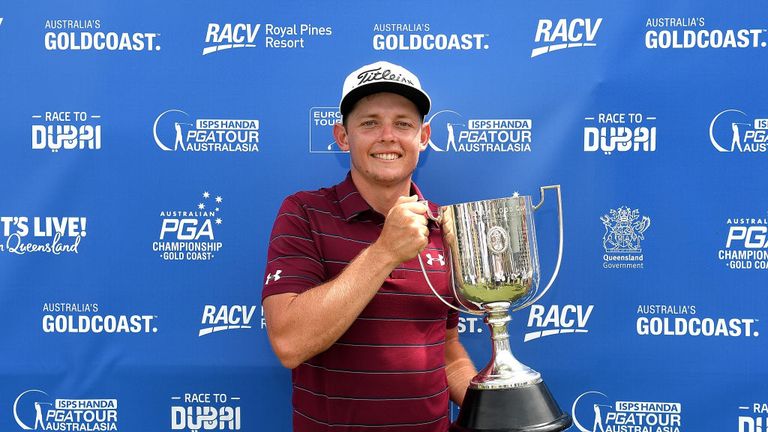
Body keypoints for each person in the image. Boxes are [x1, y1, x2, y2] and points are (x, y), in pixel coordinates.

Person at [261, 61, 477, 432]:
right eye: (369, 123)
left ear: (424, 137)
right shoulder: (303, 213)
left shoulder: (445, 225)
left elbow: (447, 350)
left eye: (403, 123)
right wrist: (384, 251)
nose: (387, 136)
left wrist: (489, 409)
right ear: (343, 137)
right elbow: (289, 341)